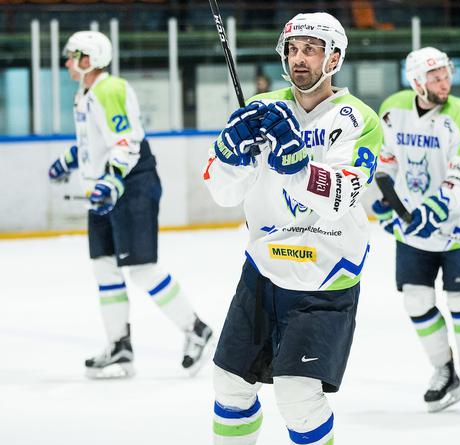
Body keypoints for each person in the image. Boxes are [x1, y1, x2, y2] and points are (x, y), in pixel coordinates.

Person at [203, 12, 381, 444]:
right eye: (293, 49)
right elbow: (223, 193)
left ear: (334, 57)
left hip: (326, 275)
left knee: (299, 399)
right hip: (263, 271)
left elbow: (340, 199)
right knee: (229, 385)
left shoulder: (359, 119)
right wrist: (229, 155)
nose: (299, 59)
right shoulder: (263, 109)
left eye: (311, 50)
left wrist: (298, 166)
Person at [48, 31, 213, 379]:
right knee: (104, 267)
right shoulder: (86, 95)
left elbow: (127, 142)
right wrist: (70, 159)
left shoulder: (110, 89)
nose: (67, 62)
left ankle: (196, 329)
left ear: (89, 58)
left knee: (141, 269)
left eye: (72, 55)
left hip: (130, 185)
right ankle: (119, 346)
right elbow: (98, 144)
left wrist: (112, 179)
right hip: (105, 191)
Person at [373, 47, 460, 412]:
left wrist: (434, 209)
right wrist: (386, 199)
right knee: (417, 300)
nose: (444, 82)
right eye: (435, 77)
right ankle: (444, 370)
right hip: (414, 230)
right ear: (417, 81)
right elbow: (387, 161)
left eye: (446, 74)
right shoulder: (393, 109)